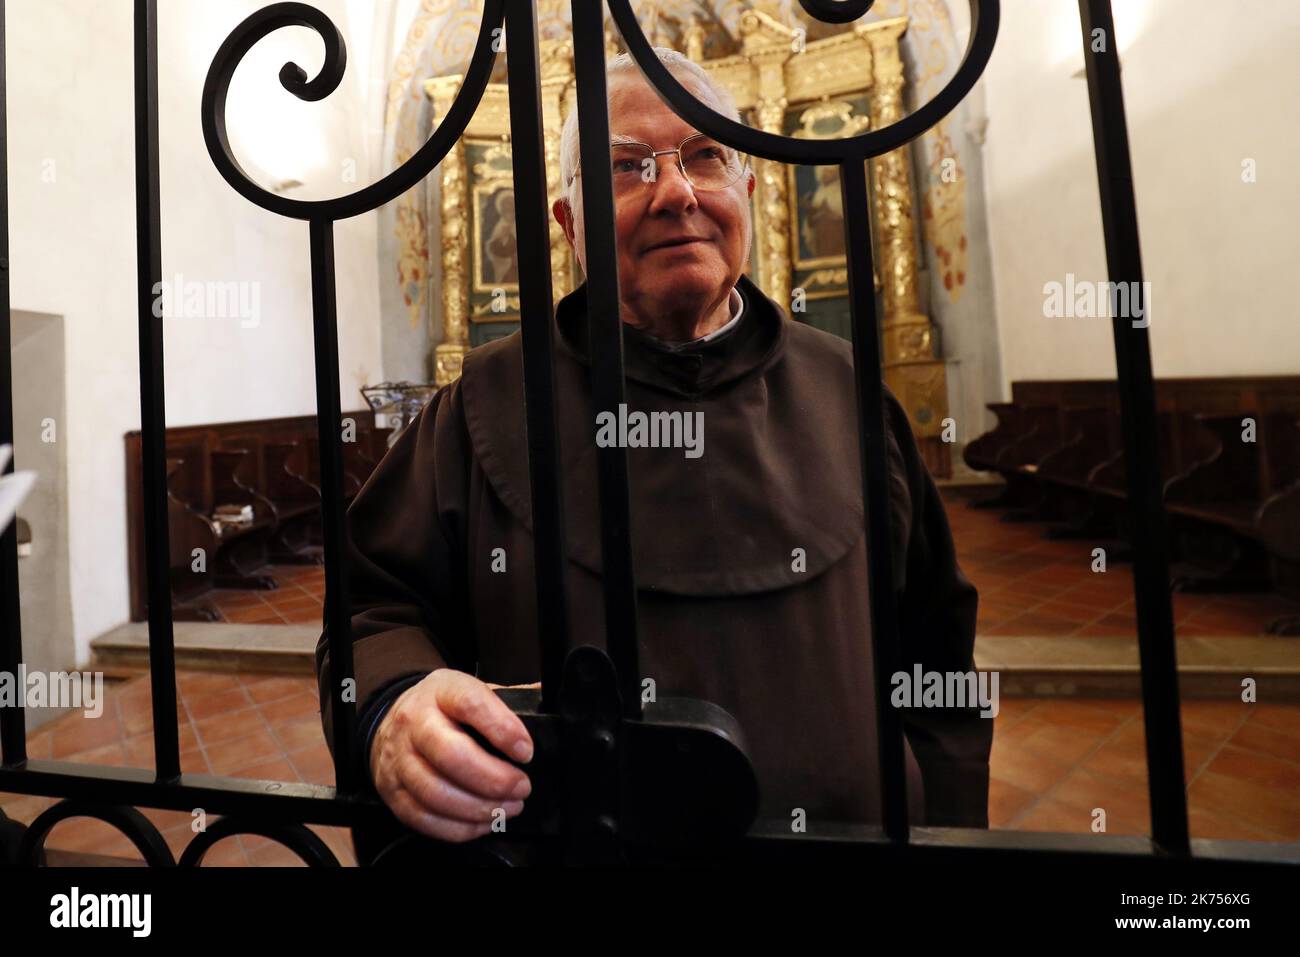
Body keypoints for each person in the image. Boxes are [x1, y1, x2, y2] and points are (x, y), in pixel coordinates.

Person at [316, 47, 991, 861]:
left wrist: (941, 815)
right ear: (568, 226)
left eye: (707, 155)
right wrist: (393, 705)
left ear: (748, 189)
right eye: (626, 167)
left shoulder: (849, 392)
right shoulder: (485, 405)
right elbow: (371, 611)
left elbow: (936, 654)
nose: (676, 192)